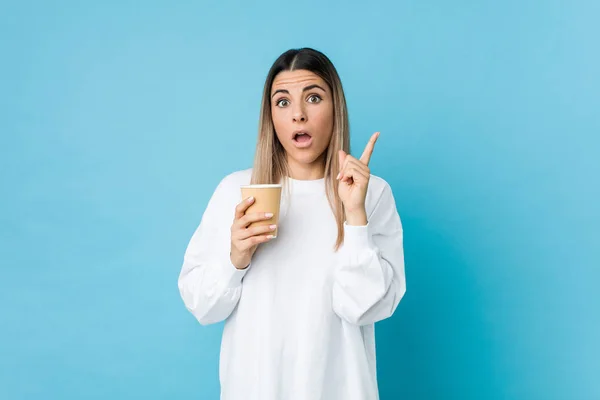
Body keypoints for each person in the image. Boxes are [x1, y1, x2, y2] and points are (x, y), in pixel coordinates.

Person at [178, 47, 406, 400]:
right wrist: (235, 257)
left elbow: (366, 307)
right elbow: (203, 307)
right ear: (270, 115)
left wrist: (355, 217)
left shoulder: (371, 194)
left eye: (313, 97)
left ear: (336, 107)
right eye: (283, 102)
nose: (298, 114)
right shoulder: (235, 192)